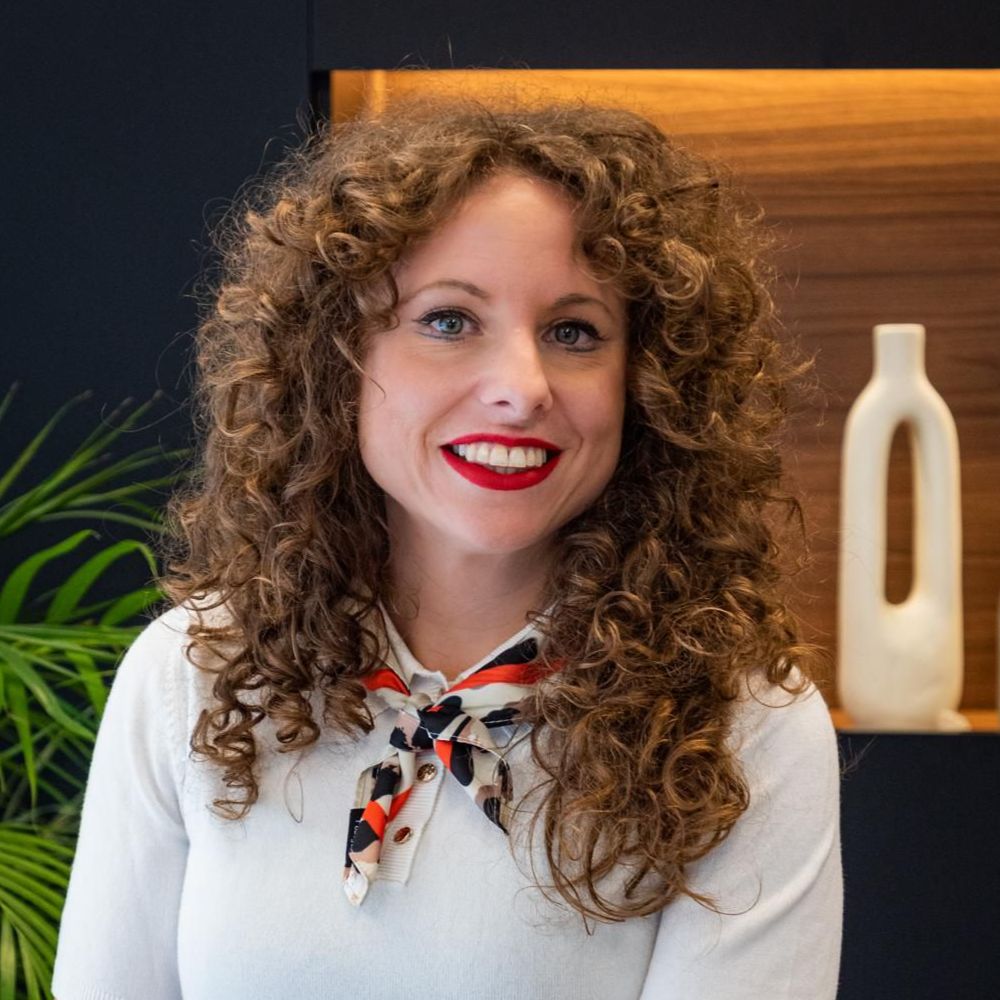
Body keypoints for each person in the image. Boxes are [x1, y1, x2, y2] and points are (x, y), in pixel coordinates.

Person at [52, 93, 842, 999]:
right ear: (337, 360)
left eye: (574, 332)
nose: (522, 386)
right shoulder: (193, 673)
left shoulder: (745, 728)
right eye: (449, 320)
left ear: (648, 387)